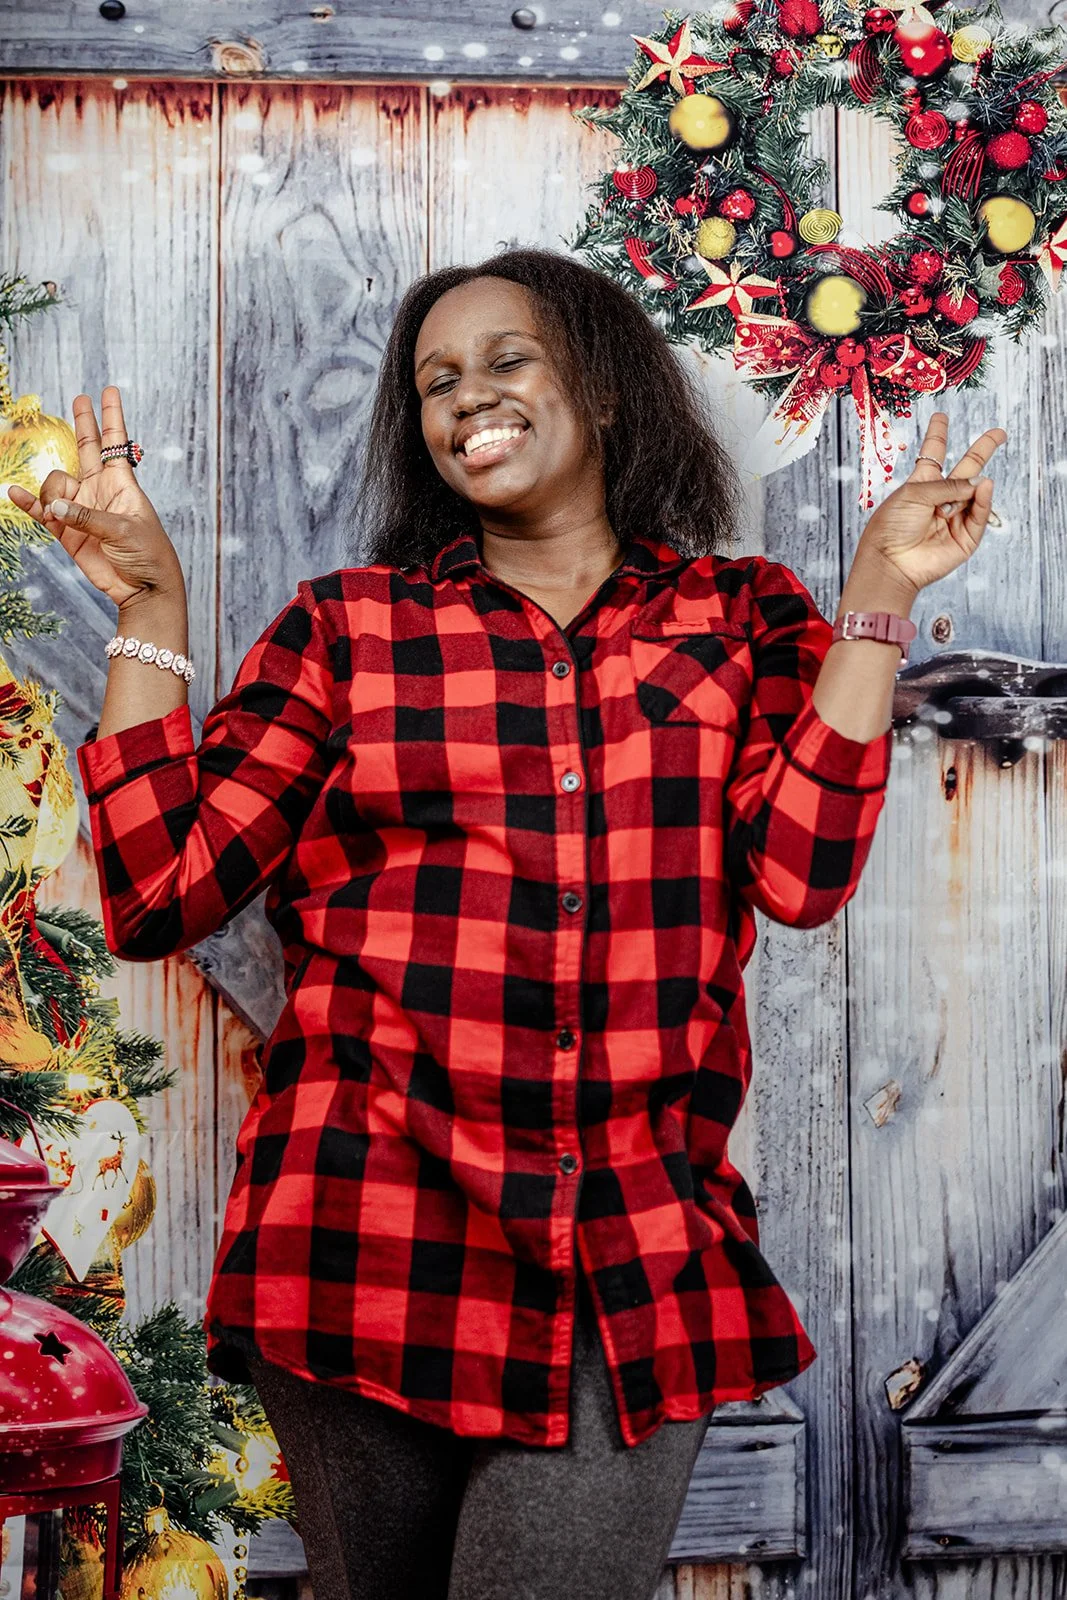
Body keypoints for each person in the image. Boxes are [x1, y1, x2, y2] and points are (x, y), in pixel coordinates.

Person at [7, 246, 1005, 1600]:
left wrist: (875, 597)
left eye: (504, 358)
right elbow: (156, 893)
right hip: (362, 1233)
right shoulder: (350, 633)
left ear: (598, 388)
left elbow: (799, 873)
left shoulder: (742, 620)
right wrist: (147, 605)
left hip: (630, 1246)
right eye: (434, 382)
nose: (464, 396)